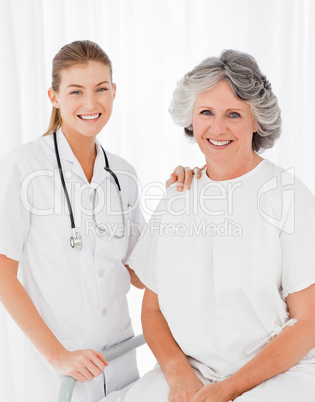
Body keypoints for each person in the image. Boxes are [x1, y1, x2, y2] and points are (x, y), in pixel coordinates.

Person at [0, 40, 196, 402]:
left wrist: (174, 203)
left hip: (119, 360)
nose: (91, 104)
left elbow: (139, 274)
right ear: (54, 96)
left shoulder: (123, 174)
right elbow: (3, 273)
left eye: (101, 89)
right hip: (57, 368)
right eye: (76, 91)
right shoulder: (24, 167)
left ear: (114, 92)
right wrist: (58, 356)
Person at [123, 49, 315, 401]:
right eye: (206, 113)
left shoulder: (287, 196)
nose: (218, 127)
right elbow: (151, 308)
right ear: (190, 119)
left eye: (233, 114)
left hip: (274, 371)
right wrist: (180, 376)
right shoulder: (177, 195)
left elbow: (308, 322)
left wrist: (229, 388)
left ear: (257, 120)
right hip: (190, 369)